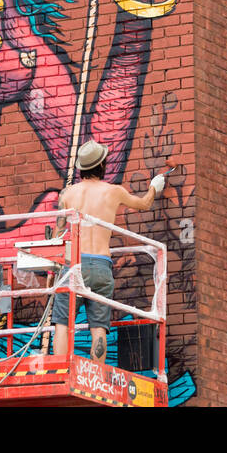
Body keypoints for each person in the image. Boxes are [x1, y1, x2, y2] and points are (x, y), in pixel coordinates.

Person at [50, 140, 167, 361]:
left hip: (73, 263)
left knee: (63, 323)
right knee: (99, 326)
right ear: (102, 165)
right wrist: (154, 186)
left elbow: (57, 235)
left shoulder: (67, 194)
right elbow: (143, 204)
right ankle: (97, 375)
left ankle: (59, 367)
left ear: (81, 168)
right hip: (102, 265)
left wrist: (50, 272)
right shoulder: (114, 192)